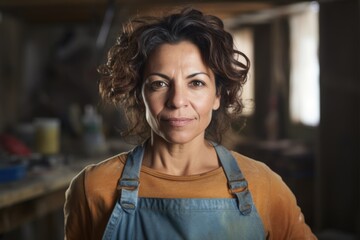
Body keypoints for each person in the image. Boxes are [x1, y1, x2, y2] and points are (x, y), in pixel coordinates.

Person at [64, 7, 316, 240]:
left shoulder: (264, 186)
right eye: (159, 83)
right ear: (139, 95)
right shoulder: (94, 188)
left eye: (196, 83)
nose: (177, 100)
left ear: (218, 96)